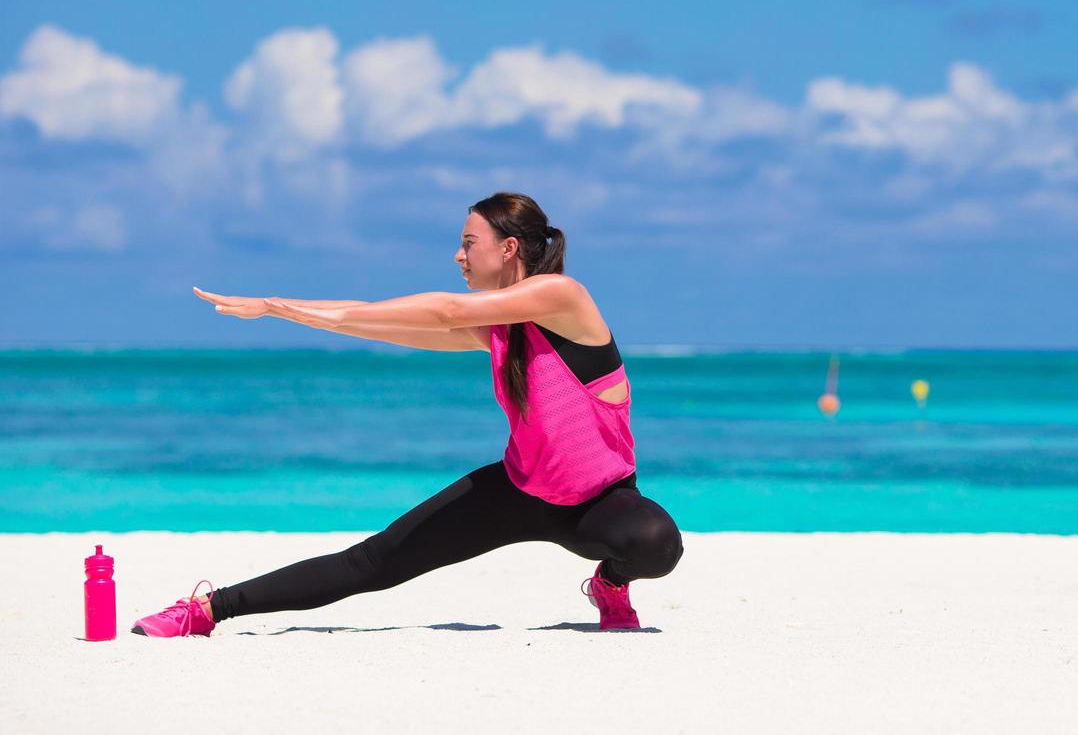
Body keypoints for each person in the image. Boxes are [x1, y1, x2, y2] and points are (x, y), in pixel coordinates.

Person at [131, 191, 683, 637]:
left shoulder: (563, 297)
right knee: (371, 564)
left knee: (656, 541)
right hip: (518, 492)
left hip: (599, 505)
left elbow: (443, 309)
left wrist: (283, 307)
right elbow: (377, 320)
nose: (458, 257)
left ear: (510, 248)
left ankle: (611, 583)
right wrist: (284, 310)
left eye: (470, 244)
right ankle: (208, 609)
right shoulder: (497, 331)